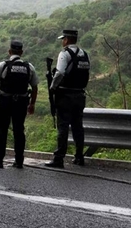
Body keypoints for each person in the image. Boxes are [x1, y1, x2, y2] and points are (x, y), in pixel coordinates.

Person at [0, 40, 39, 169]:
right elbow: (34, 87)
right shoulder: (29, 67)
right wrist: (32, 104)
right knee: (19, 131)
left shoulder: (2, 65)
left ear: (9, 51)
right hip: (21, 103)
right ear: (21, 52)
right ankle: (19, 161)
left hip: (4, 102)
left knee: (2, 131)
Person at [45, 29, 91, 169]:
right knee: (78, 127)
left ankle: (59, 159)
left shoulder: (64, 54)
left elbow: (59, 73)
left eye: (63, 39)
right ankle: (79, 156)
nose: (62, 41)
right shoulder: (84, 54)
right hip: (79, 95)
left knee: (63, 127)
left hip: (65, 96)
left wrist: (52, 87)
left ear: (67, 39)